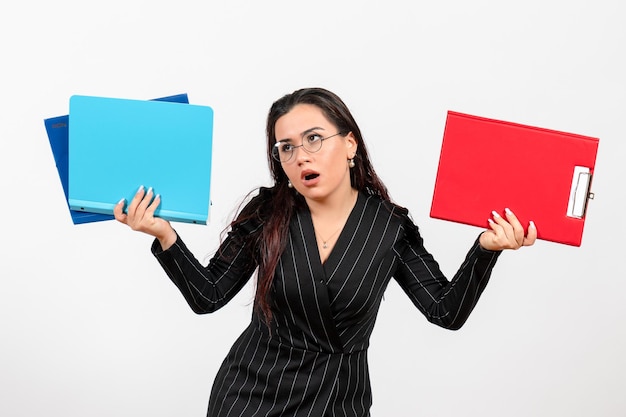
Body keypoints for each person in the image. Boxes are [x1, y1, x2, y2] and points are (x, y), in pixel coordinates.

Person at [114, 87, 536, 417]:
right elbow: (207, 296)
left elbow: (447, 312)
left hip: (339, 402)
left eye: (314, 139)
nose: (301, 156)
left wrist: (487, 249)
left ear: (350, 145)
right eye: (287, 148)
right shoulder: (267, 212)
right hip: (250, 397)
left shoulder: (389, 227)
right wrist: (163, 234)